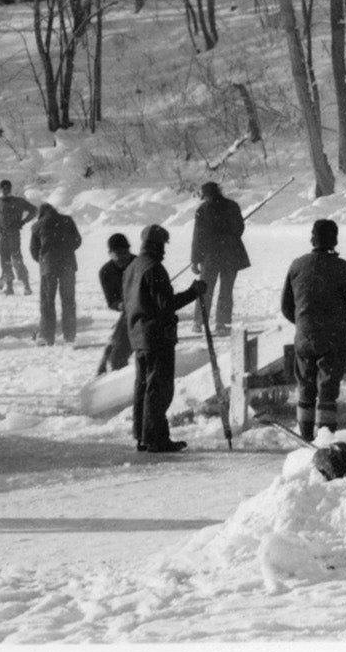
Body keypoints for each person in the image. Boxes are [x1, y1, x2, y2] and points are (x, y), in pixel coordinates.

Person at [278, 218, 346, 441]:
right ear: (335, 240)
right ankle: (325, 439)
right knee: (327, 392)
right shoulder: (342, 268)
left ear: (312, 238)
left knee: (305, 387)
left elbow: (286, 307)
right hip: (332, 339)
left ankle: (304, 437)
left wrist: (306, 323)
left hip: (304, 337)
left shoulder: (297, 265)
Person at [121, 224, 203, 453]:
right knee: (158, 390)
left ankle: (142, 436)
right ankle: (156, 438)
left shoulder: (131, 267)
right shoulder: (154, 269)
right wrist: (193, 292)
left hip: (138, 336)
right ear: (156, 245)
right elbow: (165, 305)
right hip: (157, 336)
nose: (164, 252)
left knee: (143, 387)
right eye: (163, 246)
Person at [189, 180, 251, 335]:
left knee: (205, 290)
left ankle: (198, 322)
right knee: (226, 291)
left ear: (206, 195)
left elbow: (198, 237)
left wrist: (195, 260)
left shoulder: (203, 209)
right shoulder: (232, 206)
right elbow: (239, 229)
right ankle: (222, 324)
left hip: (210, 256)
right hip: (231, 254)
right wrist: (227, 237)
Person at [30, 202, 83, 346]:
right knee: (68, 301)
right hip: (68, 266)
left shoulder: (37, 226)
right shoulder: (67, 220)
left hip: (48, 267)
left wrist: (44, 260)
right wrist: (66, 250)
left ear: (41, 214)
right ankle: (70, 336)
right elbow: (78, 240)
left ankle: (47, 337)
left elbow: (34, 250)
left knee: (47, 302)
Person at [0, 180, 38, 297]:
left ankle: (25, 287)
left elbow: (34, 210)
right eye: (4, 188)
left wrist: (23, 222)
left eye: (7, 188)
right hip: (4, 235)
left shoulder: (2, 202)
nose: (5, 190)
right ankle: (13, 288)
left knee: (13, 260)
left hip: (7, 235)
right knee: (9, 260)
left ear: (8, 189)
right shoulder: (0, 202)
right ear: (2, 189)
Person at [95, 232, 134, 376]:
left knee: (118, 353)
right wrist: (121, 305)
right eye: (118, 254)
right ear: (110, 254)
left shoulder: (139, 264)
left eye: (125, 252)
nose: (123, 257)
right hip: (128, 311)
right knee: (115, 352)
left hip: (145, 311)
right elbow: (111, 300)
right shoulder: (106, 272)